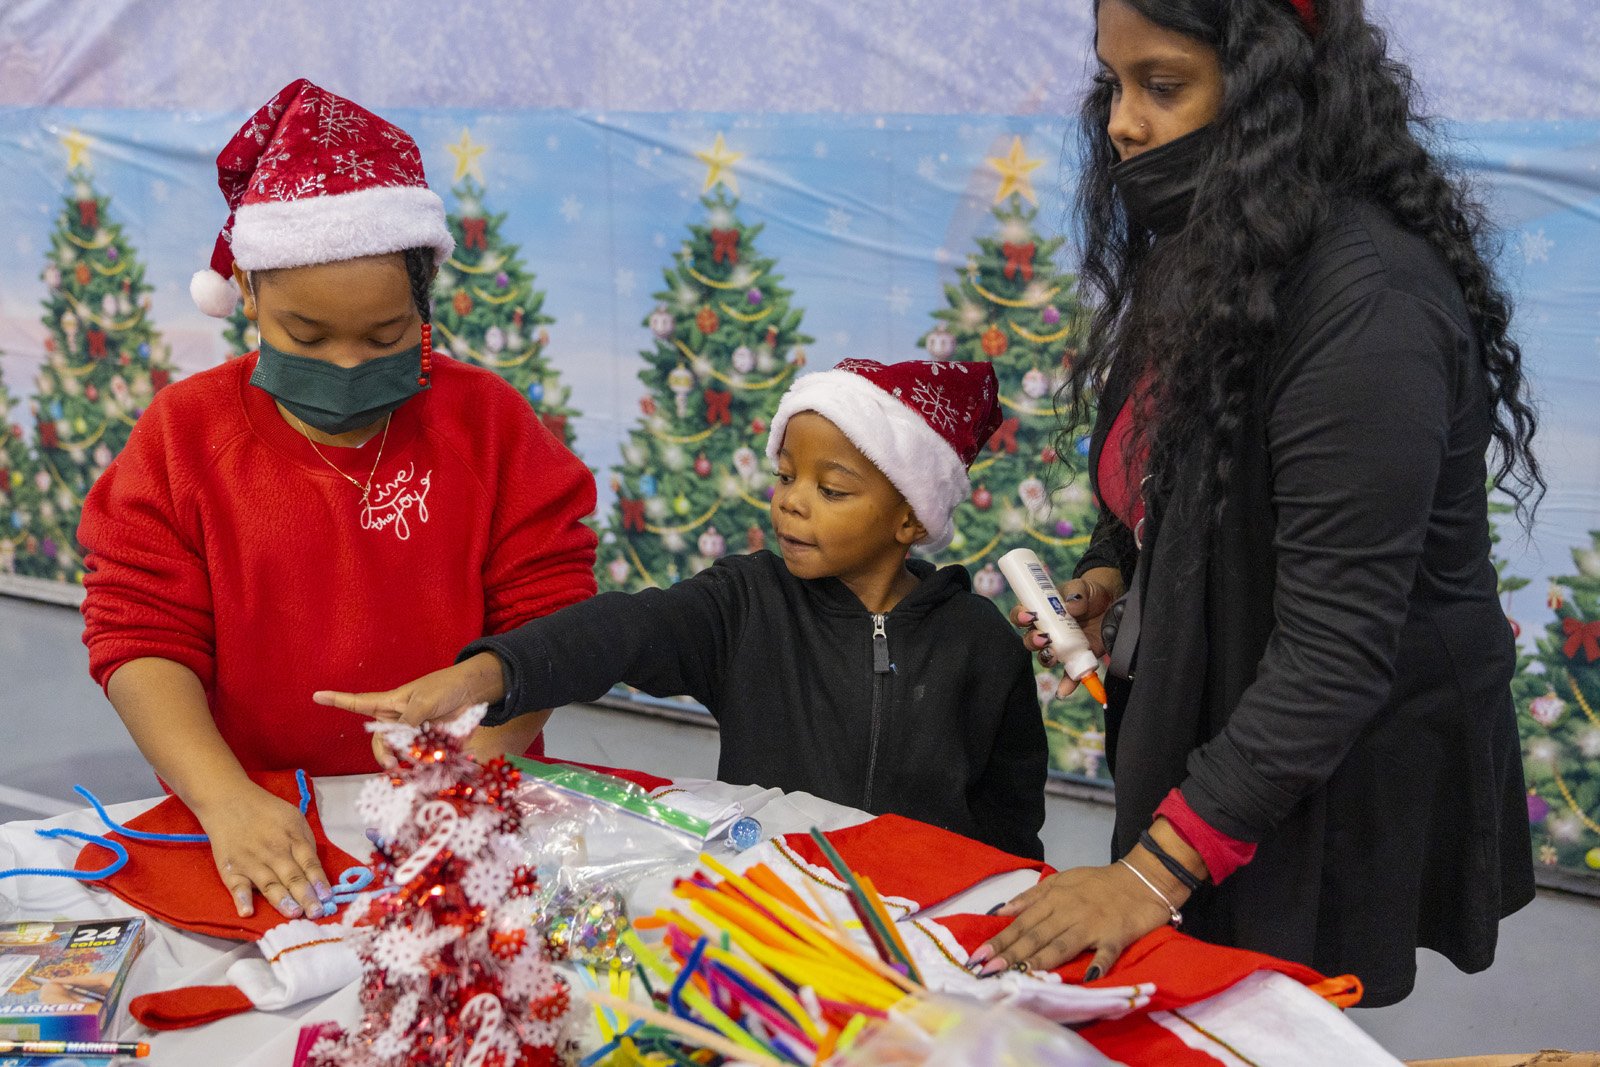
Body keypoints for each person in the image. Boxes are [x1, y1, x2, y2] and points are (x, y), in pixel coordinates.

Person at [972, 0, 1542, 1007]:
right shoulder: (1219, 243)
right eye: (1112, 82)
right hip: (1231, 729)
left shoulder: (1371, 307)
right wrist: (1117, 569)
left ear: (1275, 89)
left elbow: (1332, 657)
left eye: (1162, 84)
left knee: (1275, 1011)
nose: (1119, 122)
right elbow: (1164, 470)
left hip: (1331, 769)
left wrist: (1147, 876)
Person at [78, 80, 597, 925]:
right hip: (261, 811)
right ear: (245, 291)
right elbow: (139, 636)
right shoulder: (183, 434)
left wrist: (474, 772)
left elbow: (553, 620)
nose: (348, 366)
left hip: (467, 796)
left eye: (386, 337)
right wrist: (222, 799)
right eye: (306, 338)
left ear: (423, 295)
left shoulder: (488, 425)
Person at [316, 359, 1050, 860]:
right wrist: (481, 676)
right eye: (786, 474)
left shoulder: (981, 644)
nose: (791, 500)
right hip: (775, 903)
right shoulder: (746, 604)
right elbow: (620, 631)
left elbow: (1011, 819)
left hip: (923, 923)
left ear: (911, 519)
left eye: (832, 489)